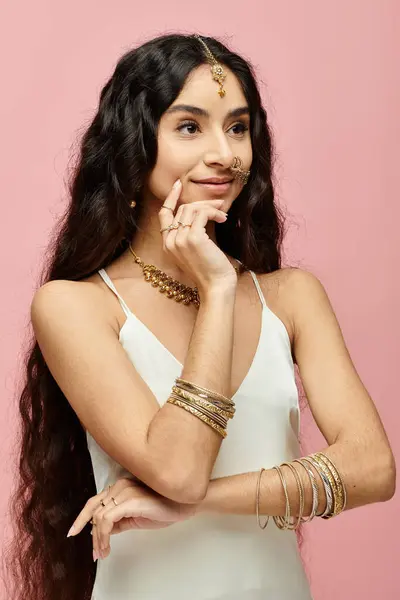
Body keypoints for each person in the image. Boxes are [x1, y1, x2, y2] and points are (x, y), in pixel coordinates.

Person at [3, 33, 396, 600]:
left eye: (238, 127)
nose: (227, 153)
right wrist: (215, 290)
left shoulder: (292, 297)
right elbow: (179, 469)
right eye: (190, 127)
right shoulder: (77, 305)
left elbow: (373, 470)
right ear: (135, 148)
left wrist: (195, 503)